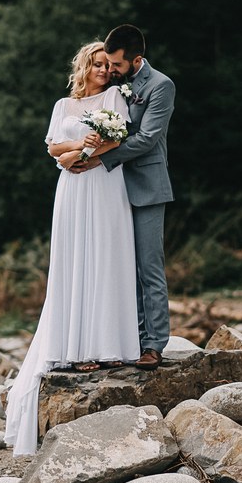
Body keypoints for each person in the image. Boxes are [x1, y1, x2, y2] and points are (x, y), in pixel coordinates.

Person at [3, 41, 140, 456]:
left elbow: (118, 141)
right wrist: (74, 153)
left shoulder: (115, 97)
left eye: (107, 65)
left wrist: (84, 153)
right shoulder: (64, 104)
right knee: (73, 261)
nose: (103, 71)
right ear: (85, 66)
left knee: (107, 258)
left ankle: (106, 345)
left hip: (102, 183)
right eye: (97, 64)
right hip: (72, 187)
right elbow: (51, 149)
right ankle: (73, 346)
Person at [72, 24, 174, 371]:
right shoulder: (116, 85)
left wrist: (101, 157)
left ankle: (153, 344)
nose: (110, 70)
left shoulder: (161, 86)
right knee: (114, 267)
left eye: (116, 65)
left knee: (148, 267)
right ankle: (121, 339)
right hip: (109, 189)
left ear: (136, 60)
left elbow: (146, 138)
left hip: (145, 185)